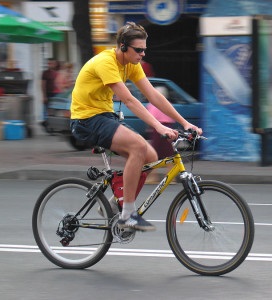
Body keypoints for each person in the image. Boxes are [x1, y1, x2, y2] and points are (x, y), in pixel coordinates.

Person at [70, 22, 202, 232]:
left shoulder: (131, 64)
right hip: (86, 119)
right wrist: (160, 127)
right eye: (138, 50)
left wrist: (184, 122)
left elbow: (154, 95)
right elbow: (130, 101)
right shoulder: (106, 62)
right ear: (123, 47)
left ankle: (116, 203)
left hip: (105, 116)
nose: (142, 54)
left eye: (144, 50)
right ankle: (128, 215)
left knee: (150, 155)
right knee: (138, 147)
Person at [146, 86, 175, 184]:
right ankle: (171, 177)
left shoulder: (153, 105)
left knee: (153, 154)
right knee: (168, 154)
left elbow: (150, 118)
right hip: (167, 129)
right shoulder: (168, 104)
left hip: (158, 131)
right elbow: (172, 117)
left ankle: (153, 177)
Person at [41, 58, 58, 124]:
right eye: (49, 63)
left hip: (56, 94)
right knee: (46, 108)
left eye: (53, 63)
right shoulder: (45, 73)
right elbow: (43, 84)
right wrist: (44, 96)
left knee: (54, 109)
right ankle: (46, 122)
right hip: (48, 93)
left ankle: (54, 122)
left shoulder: (57, 73)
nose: (51, 65)